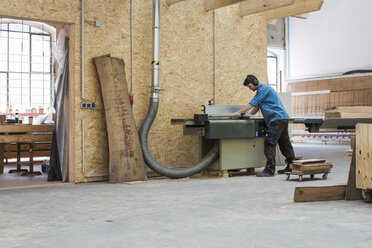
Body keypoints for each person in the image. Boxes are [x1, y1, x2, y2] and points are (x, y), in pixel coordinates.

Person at [236, 75, 295, 177]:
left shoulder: (264, 89)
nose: (250, 89)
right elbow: (254, 110)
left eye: (250, 86)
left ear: (254, 82)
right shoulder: (262, 92)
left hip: (276, 119)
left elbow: (251, 105)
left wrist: (236, 113)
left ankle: (269, 170)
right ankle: (291, 166)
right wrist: (247, 115)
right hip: (282, 118)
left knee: (269, 143)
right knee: (284, 143)